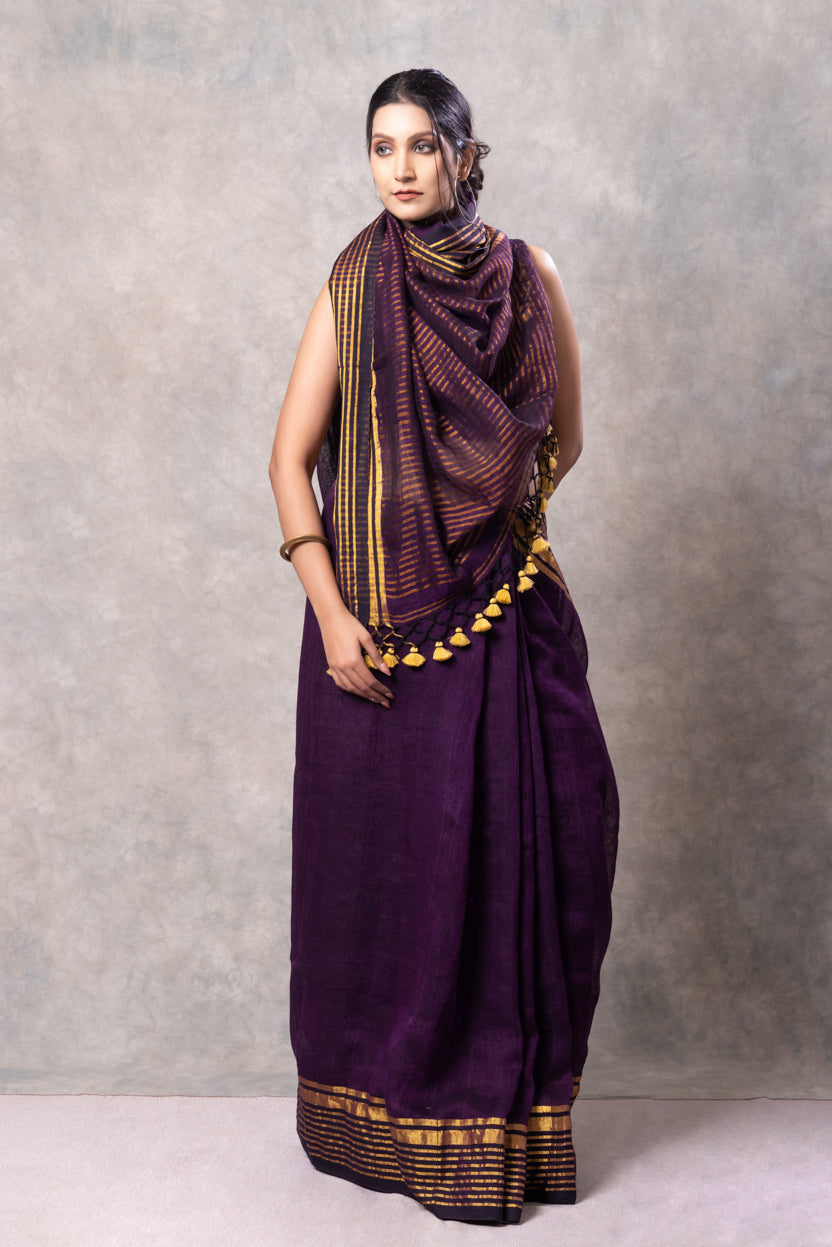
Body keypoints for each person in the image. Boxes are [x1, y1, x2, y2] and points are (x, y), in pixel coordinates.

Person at [268, 67, 619, 1226]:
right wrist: (334, 612)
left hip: (500, 611)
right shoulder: (352, 283)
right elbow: (288, 461)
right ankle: (381, 1122)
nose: (402, 168)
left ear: (467, 156)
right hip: (368, 630)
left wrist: (487, 526)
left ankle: (499, 1124)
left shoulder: (527, 276)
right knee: (387, 877)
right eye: (383, 146)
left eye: (423, 145)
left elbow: (562, 439)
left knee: (535, 850)